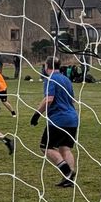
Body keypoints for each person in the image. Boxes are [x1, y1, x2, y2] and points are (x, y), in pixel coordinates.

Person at [30, 56, 79, 188]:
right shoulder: (66, 79)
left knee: (45, 146)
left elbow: (48, 99)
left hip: (59, 119)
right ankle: (69, 180)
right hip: (73, 118)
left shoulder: (50, 79)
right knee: (65, 148)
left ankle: (67, 172)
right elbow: (72, 100)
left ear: (46, 66)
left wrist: (36, 115)